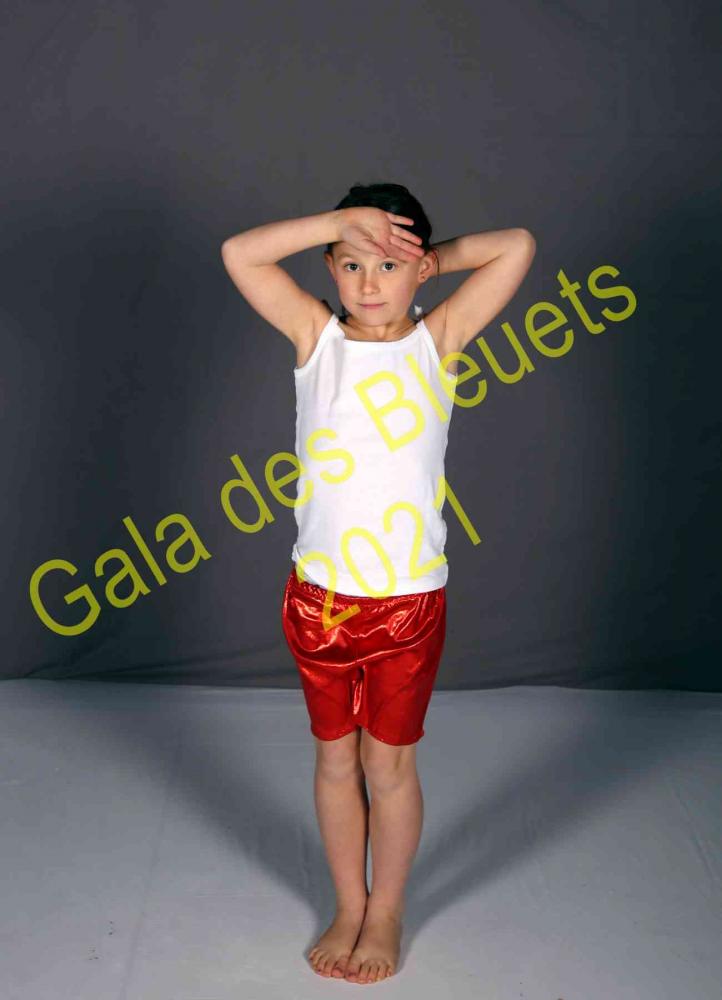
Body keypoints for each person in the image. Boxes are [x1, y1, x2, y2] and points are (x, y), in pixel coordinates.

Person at [221, 182, 536, 984]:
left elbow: (518, 246)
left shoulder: (438, 341)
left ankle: (386, 909)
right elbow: (240, 255)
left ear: (419, 271)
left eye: (389, 266)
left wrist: (425, 258)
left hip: (406, 604)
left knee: (388, 766)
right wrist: (339, 223)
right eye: (353, 263)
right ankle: (348, 903)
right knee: (335, 761)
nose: (369, 282)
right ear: (329, 267)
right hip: (319, 602)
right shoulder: (316, 339)